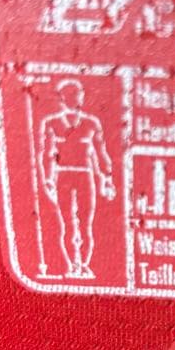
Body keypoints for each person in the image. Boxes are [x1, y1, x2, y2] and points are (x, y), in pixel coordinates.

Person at [38, 78, 115, 278]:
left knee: (85, 223)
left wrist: (107, 177)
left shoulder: (91, 123)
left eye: (77, 95)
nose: (75, 99)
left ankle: (84, 265)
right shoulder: (52, 123)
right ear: (63, 99)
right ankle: (73, 264)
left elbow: (100, 153)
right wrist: (48, 180)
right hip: (63, 175)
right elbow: (47, 154)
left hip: (84, 175)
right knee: (67, 223)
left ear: (81, 98)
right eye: (70, 96)